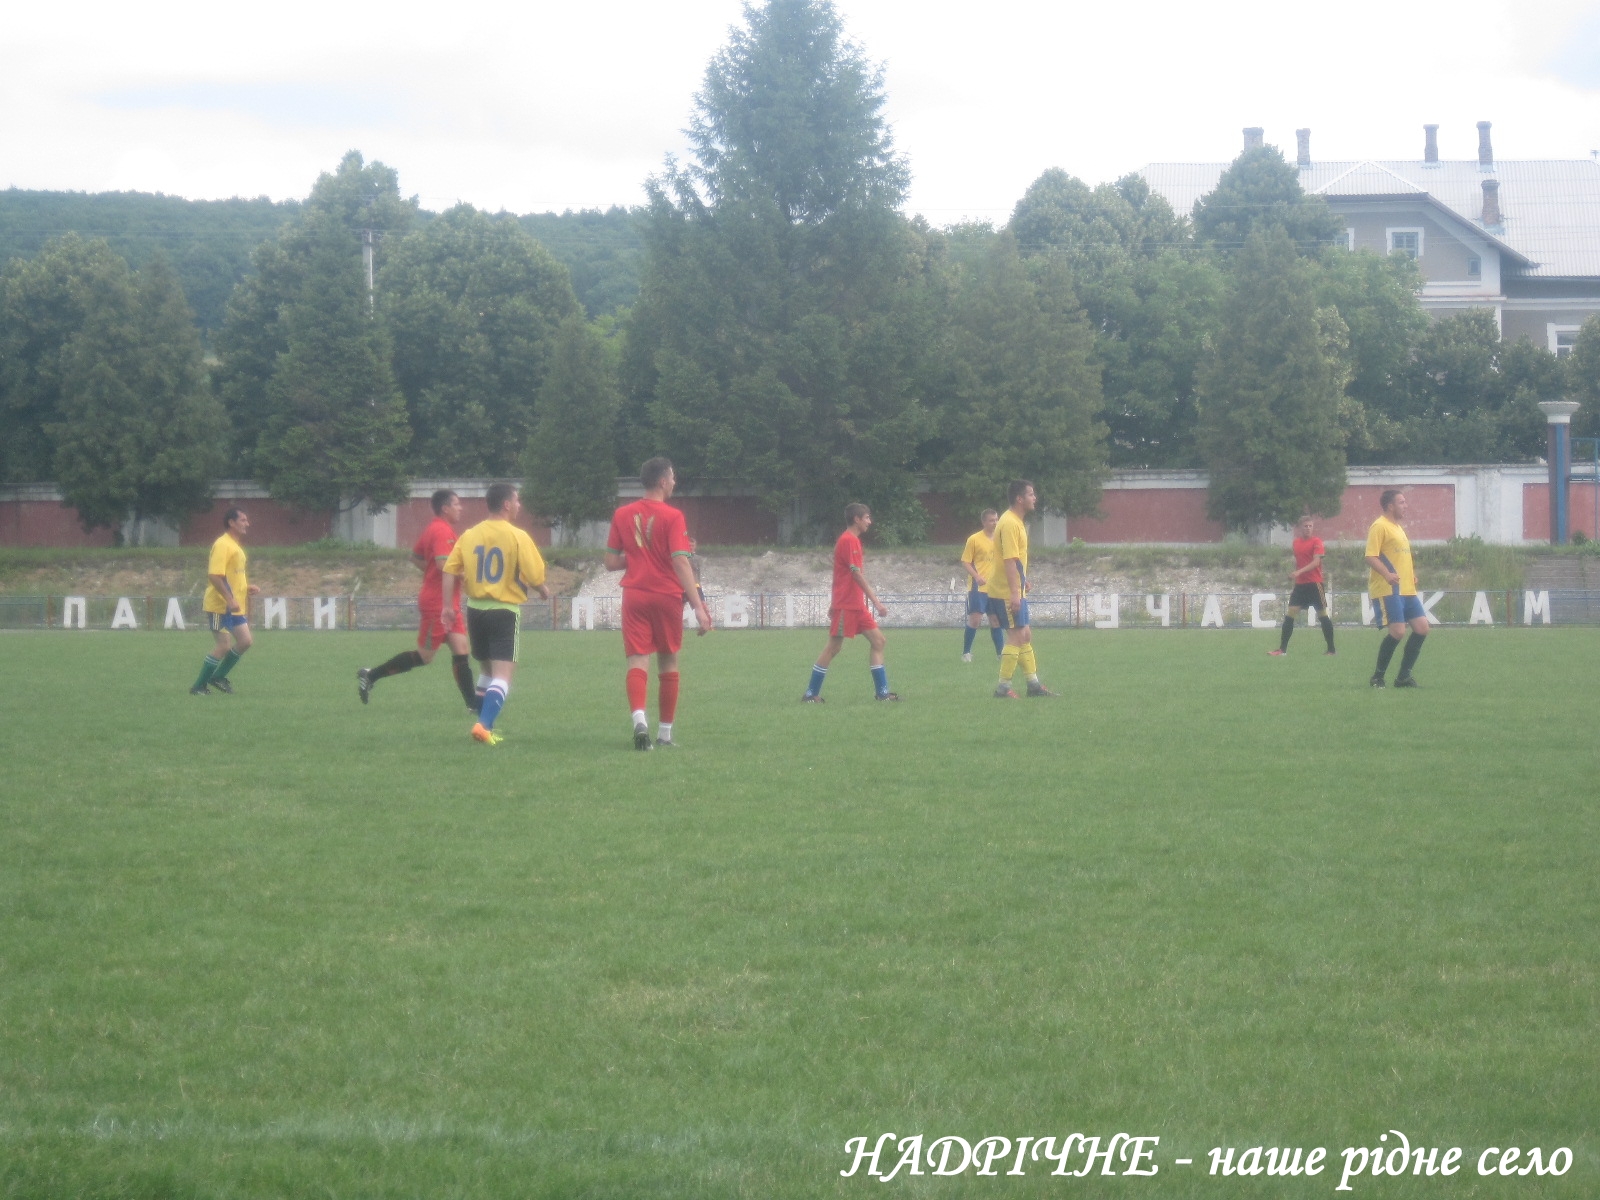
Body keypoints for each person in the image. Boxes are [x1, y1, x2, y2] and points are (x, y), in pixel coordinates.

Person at [604, 457, 714, 750]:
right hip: (665, 595)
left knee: (637, 658)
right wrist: (698, 606)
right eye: (673, 478)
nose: (675, 482)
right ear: (663, 481)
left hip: (635, 594)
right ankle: (664, 735)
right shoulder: (673, 516)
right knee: (668, 660)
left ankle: (640, 721)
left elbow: (610, 562)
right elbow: (680, 561)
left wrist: (637, 557)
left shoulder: (622, 514)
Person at [441, 483, 551, 744]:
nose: (519, 505)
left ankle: (483, 724)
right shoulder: (517, 536)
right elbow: (535, 574)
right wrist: (542, 589)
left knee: (487, 671)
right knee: (503, 675)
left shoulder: (469, 535)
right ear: (506, 504)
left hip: (475, 610)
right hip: (504, 611)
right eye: (517, 500)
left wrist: (447, 606)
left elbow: (449, 569)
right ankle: (484, 725)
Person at [357, 489, 478, 709]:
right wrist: (466, 575)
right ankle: (371, 675)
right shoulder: (441, 531)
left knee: (461, 651)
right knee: (425, 656)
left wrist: (434, 572)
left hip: (448, 602)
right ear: (445, 508)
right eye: (457, 504)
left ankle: (473, 705)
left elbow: (415, 557)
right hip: (437, 604)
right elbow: (443, 564)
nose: (461, 508)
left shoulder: (435, 528)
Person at [801, 503, 899, 703]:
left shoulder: (852, 541)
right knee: (833, 648)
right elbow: (856, 574)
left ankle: (882, 694)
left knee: (879, 641)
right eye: (867, 518)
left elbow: (839, 574)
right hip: (847, 605)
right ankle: (810, 694)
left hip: (856, 605)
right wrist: (877, 602)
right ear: (857, 519)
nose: (870, 522)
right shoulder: (849, 540)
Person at [984, 480, 1058, 699]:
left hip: (1013, 588)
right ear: (1019, 498)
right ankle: (1003, 688)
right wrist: (1015, 593)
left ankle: (1033, 685)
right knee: (1016, 636)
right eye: (1031, 494)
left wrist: (1022, 581)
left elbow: (1014, 560)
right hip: (1005, 592)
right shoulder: (1009, 523)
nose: (1035, 498)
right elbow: (1009, 560)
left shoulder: (1015, 521)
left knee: (1025, 635)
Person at [190, 508, 260, 695]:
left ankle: (218, 677)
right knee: (224, 645)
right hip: (219, 606)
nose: (247, 524)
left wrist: (246, 588)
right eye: (243, 520)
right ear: (231, 522)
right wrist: (229, 598)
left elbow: (231, 576)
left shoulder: (234, 545)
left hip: (234, 606)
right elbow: (215, 575)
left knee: (245, 641)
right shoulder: (222, 544)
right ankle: (198, 686)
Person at [1365, 488, 1428, 688]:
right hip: (1388, 589)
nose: (1405, 506)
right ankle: (1378, 677)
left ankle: (1403, 677)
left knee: (1422, 628)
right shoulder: (1379, 526)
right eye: (1401, 502)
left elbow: (1398, 557)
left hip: (1407, 589)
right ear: (1390, 506)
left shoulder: (1398, 528)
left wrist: (1410, 575)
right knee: (1398, 631)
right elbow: (1371, 556)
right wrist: (1387, 574)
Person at [1270, 515, 1336, 656]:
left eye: (1310, 526)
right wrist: (1296, 574)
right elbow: (1300, 561)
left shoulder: (1317, 542)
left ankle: (1331, 650)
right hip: (1300, 585)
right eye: (1305, 526)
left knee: (1322, 615)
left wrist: (1298, 572)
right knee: (1290, 613)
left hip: (1315, 584)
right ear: (1300, 527)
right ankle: (1282, 650)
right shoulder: (1296, 543)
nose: (1308, 528)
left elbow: (1316, 563)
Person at [959, 509, 1006, 661]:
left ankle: (1000, 654)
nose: (995, 523)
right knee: (975, 619)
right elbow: (965, 561)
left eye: (996, 519)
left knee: (995, 620)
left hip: (994, 587)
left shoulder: (1000, 539)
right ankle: (966, 653)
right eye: (992, 520)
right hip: (978, 587)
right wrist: (977, 576)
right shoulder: (974, 539)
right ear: (984, 522)